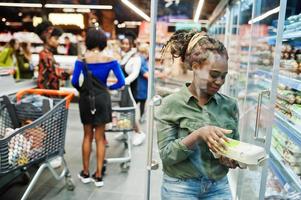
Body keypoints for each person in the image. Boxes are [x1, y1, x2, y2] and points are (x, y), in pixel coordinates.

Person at [156, 30, 240, 200]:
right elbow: (166, 156)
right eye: (214, 75)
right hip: (180, 186)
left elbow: (234, 147)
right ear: (195, 67)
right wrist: (198, 134)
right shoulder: (171, 104)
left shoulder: (229, 105)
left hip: (218, 185)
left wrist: (232, 158)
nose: (220, 82)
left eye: (223, 76)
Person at [71, 28, 125, 187]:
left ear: (88, 41)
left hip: (86, 99)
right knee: (100, 138)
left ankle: (86, 172)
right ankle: (99, 175)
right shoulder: (110, 59)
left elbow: (75, 81)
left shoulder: (82, 59)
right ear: (102, 42)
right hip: (103, 99)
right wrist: (108, 89)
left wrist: (84, 91)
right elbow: (121, 82)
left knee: (87, 135)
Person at [117, 33, 146, 146]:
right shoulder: (124, 55)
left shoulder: (136, 57)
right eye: (123, 43)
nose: (124, 45)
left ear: (131, 44)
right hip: (123, 87)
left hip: (130, 88)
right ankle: (125, 132)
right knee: (123, 110)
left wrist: (124, 82)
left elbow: (135, 73)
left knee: (130, 110)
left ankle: (139, 132)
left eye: (126, 43)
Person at [35, 21, 69, 90]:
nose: (58, 42)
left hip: (49, 93)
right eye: (56, 39)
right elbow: (57, 74)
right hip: (47, 94)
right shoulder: (44, 54)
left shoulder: (48, 54)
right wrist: (73, 71)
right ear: (47, 38)